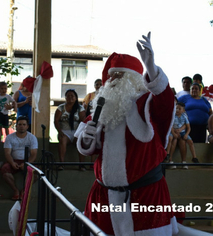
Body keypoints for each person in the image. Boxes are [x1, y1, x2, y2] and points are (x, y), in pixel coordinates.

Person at [75, 32, 179, 235]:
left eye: (120, 74)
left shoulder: (147, 104)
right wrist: (86, 141)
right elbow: (87, 146)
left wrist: (151, 68)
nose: (113, 79)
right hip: (103, 196)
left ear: (134, 79)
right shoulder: (102, 107)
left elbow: (165, 103)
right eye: (111, 75)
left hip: (144, 195)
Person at [1, 116, 38, 200]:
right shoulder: (10, 137)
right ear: (16, 126)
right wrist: (12, 163)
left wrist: (26, 164)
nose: (22, 126)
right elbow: (7, 153)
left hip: (27, 161)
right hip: (13, 161)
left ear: (27, 126)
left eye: (24, 124)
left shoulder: (32, 138)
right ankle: (16, 191)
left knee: (36, 173)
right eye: (20, 124)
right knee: (4, 169)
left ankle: (24, 191)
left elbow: (34, 154)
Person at [54, 89, 86, 170]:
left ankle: (81, 165)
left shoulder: (80, 108)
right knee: (62, 140)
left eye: (72, 96)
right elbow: (56, 121)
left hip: (77, 132)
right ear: (65, 98)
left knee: (81, 141)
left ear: (76, 98)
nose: (70, 97)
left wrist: (79, 133)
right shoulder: (61, 108)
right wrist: (59, 131)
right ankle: (62, 164)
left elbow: (83, 122)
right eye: (68, 96)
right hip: (64, 132)